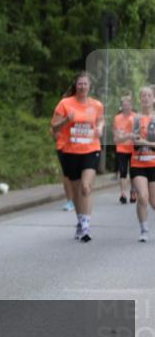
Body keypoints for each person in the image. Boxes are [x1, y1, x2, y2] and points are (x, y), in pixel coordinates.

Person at [51, 72, 105, 242]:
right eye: (80, 84)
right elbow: (54, 130)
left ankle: (86, 226)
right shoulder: (65, 104)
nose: (82, 87)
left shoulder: (96, 105)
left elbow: (101, 119)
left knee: (85, 187)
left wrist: (100, 128)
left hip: (91, 149)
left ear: (90, 86)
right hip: (70, 151)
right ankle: (80, 221)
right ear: (76, 85)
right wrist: (66, 120)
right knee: (75, 191)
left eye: (85, 84)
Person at [130, 86, 155, 243]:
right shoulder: (133, 119)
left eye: (149, 95)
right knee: (143, 198)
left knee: (154, 202)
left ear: (153, 99)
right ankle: (144, 229)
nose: (146, 98)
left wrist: (145, 142)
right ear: (140, 99)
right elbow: (130, 140)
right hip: (138, 163)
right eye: (143, 96)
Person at [113, 94, 137, 204]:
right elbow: (116, 135)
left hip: (133, 149)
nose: (126, 107)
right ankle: (123, 193)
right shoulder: (117, 118)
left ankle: (133, 191)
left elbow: (139, 134)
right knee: (123, 172)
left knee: (133, 172)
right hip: (121, 148)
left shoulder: (136, 117)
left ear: (131, 106)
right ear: (121, 106)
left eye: (128, 105)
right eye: (124, 105)